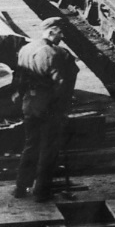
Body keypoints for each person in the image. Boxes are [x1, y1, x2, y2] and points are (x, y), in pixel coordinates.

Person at [13, 18, 80, 202]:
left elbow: (18, 79)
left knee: (30, 145)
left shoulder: (25, 49)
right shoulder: (56, 53)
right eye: (60, 33)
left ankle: (20, 186)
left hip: (29, 103)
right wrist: (62, 109)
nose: (62, 37)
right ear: (51, 32)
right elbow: (61, 84)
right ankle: (41, 191)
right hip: (48, 106)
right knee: (48, 148)